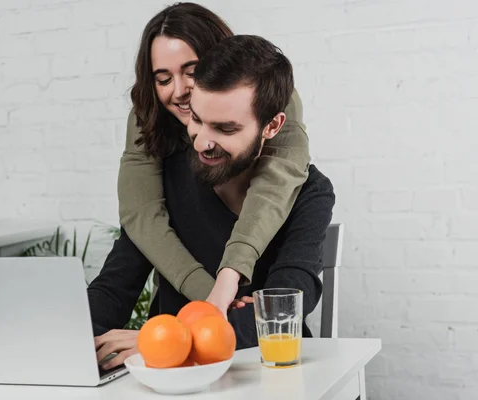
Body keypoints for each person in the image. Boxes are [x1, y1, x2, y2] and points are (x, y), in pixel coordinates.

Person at [89, 34, 335, 370]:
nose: (203, 143)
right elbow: (115, 287)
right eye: (197, 119)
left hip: (270, 376)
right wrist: (65, 339)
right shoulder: (162, 186)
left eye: (225, 129)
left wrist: (164, 341)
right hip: (179, 383)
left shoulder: (310, 191)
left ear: (273, 126)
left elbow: (282, 313)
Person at [117, 2, 311, 314]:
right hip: (195, 310)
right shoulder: (149, 115)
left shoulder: (273, 98)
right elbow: (141, 216)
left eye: (191, 72)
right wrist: (213, 300)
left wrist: (228, 279)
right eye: (163, 79)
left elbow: (273, 189)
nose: (179, 91)